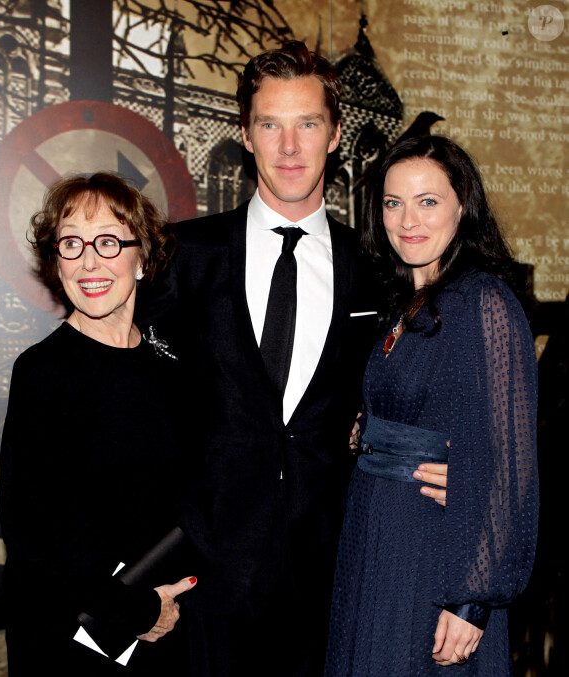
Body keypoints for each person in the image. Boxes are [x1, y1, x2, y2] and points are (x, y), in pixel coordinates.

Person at [137, 41, 448, 676]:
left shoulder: (379, 271)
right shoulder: (181, 257)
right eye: (269, 125)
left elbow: (420, 390)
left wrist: (456, 468)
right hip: (203, 582)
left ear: (335, 135)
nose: (289, 147)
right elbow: (133, 403)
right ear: (245, 136)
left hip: (335, 579)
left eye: (307, 124)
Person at [325, 135, 539, 675]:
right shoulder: (401, 301)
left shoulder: (484, 300)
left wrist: (473, 600)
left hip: (431, 552)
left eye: (428, 201)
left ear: (461, 206)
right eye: (394, 202)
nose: (407, 220)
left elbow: (511, 463)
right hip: (375, 537)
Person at [0, 173, 197, 676]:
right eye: (71, 243)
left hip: (165, 633)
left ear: (144, 256)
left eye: (108, 241)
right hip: (69, 640)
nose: (89, 261)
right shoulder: (42, 372)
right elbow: (32, 534)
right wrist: (133, 609)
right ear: (56, 261)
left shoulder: (172, 371)